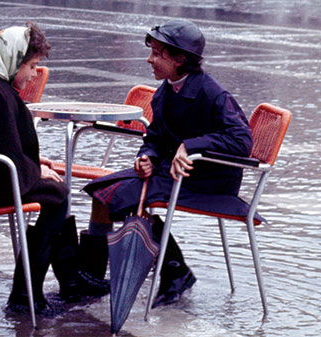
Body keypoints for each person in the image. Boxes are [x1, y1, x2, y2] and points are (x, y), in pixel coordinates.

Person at [0, 24, 107, 315]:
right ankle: (26, 295)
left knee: (54, 190)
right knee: (57, 195)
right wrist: (34, 171)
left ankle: (68, 280)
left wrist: (32, 167)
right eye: (32, 65)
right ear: (12, 61)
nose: (34, 74)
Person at [85, 19, 252, 308]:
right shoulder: (165, 91)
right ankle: (96, 277)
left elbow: (241, 141)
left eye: (157, 54)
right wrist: (146, 157)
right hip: (175, 174)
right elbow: (156, 137)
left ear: (180, 59)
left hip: (209, 181)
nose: (149, 59)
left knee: (114, 197)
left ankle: (171, 270)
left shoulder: (213, 93)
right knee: (100, 192)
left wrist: (192, 145)